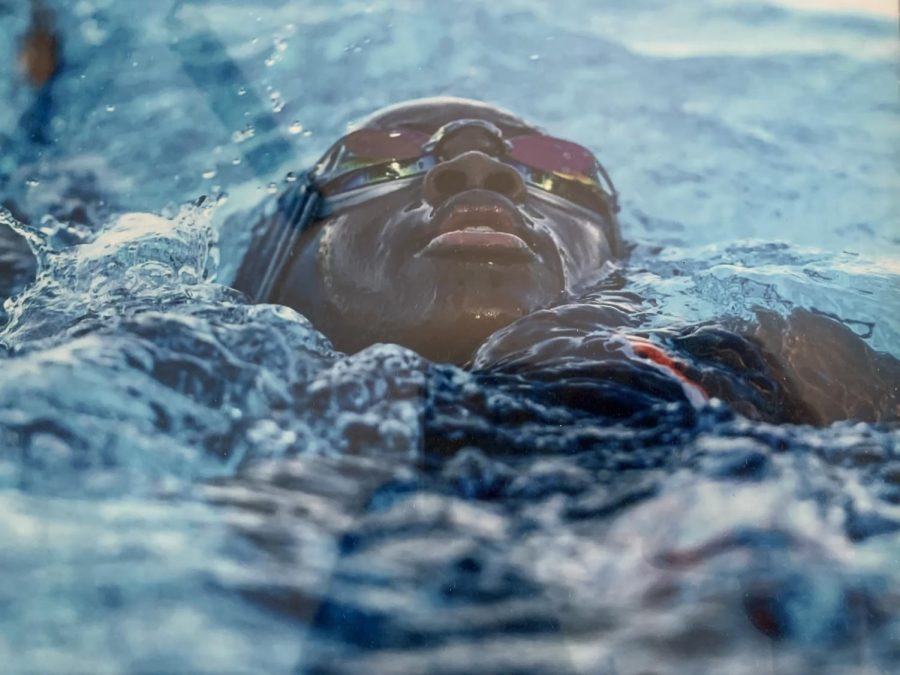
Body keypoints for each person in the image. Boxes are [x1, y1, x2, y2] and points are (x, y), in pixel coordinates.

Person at [234, 97, 898, 426]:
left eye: (553, 166)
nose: (478, 166)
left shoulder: (788, 361)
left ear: (619, 261)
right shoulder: (193, 368)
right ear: (275, 262)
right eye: (383, 156)